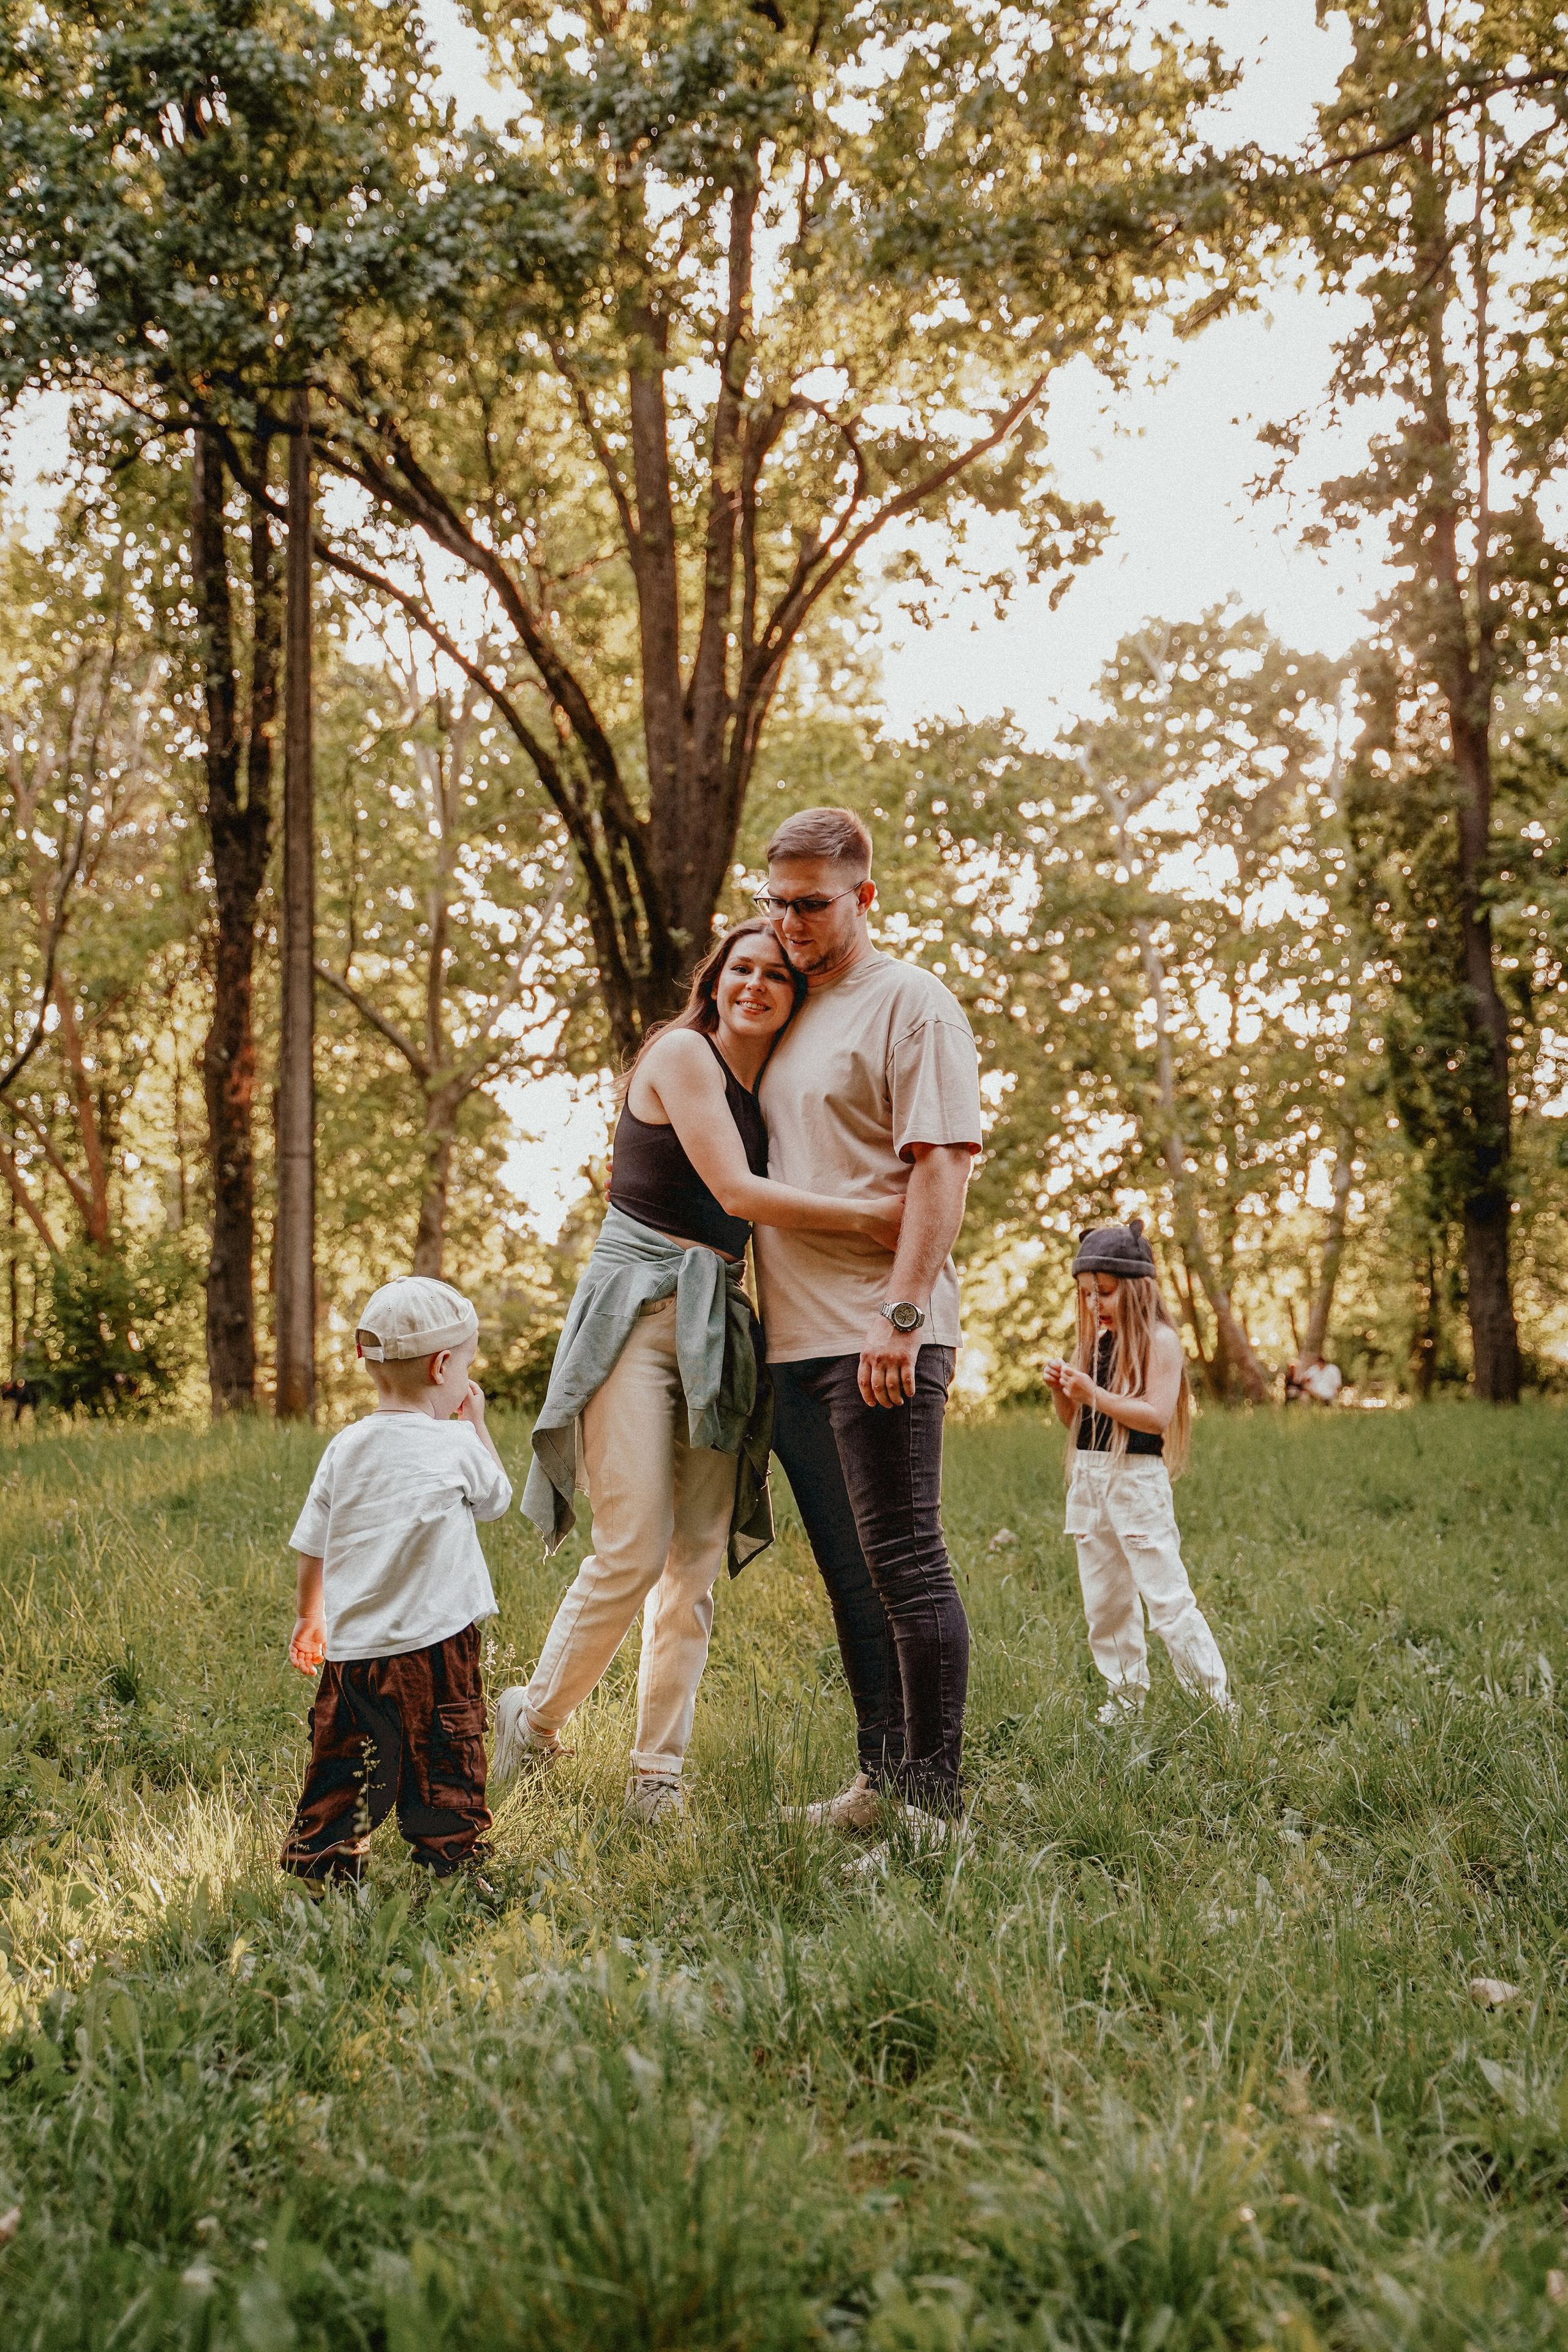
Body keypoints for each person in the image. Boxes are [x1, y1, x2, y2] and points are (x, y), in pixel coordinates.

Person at [496, 918, 907, 1824]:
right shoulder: (683, 1057)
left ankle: (656, 1777)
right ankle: (533, 1721)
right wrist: (872, 1216)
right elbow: (737, 1196)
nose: (756, 984)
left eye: (775, 975)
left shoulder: (775, 1093)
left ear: (796, 997)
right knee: (635, 1545)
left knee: (695, 1563)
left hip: (718, 1322)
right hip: (640, 1315)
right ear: (714, 982)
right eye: (740, 970)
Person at [752, 807, 983, 1835]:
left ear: (864, 896)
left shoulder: (912, 1003)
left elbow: (941, 1165)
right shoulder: (786, 1006)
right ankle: (879, 1784)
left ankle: (936, 1809)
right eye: (777, 903)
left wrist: (902, 1312)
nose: (791, 923)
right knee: (851, 1578)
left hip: (881, 1333)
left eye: (812, 904)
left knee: (906, 1561)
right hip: (794, 1340)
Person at [279, 1276, 513, 1887]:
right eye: (466, 1364)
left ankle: (323, 1864)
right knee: (445, 1759)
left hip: (353, 1653)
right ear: (442, 1368)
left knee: (342, 1764)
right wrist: (478, 1424)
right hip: (436, 1649)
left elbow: (314, 1543)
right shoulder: (457, 1442)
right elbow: (496, 1499)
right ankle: (450, 1864)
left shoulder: (345, 1447)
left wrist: (311, 1616)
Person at [1043, 1219, 1233, 1723]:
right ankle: (1125, 1700)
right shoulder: (1094, 1345)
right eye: (1085, 1295)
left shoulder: (1160, 1341)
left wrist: (1095, 1395)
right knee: (1104, 1604)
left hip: (1136, 1482)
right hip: (1090, 1479)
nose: (1093, 1305)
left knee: (1167, 1599)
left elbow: (1155, 1415)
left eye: (1103, 1293)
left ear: (1135, 1288)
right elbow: (1076, 1422)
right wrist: (1064, 1392)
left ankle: (1213, 1706)